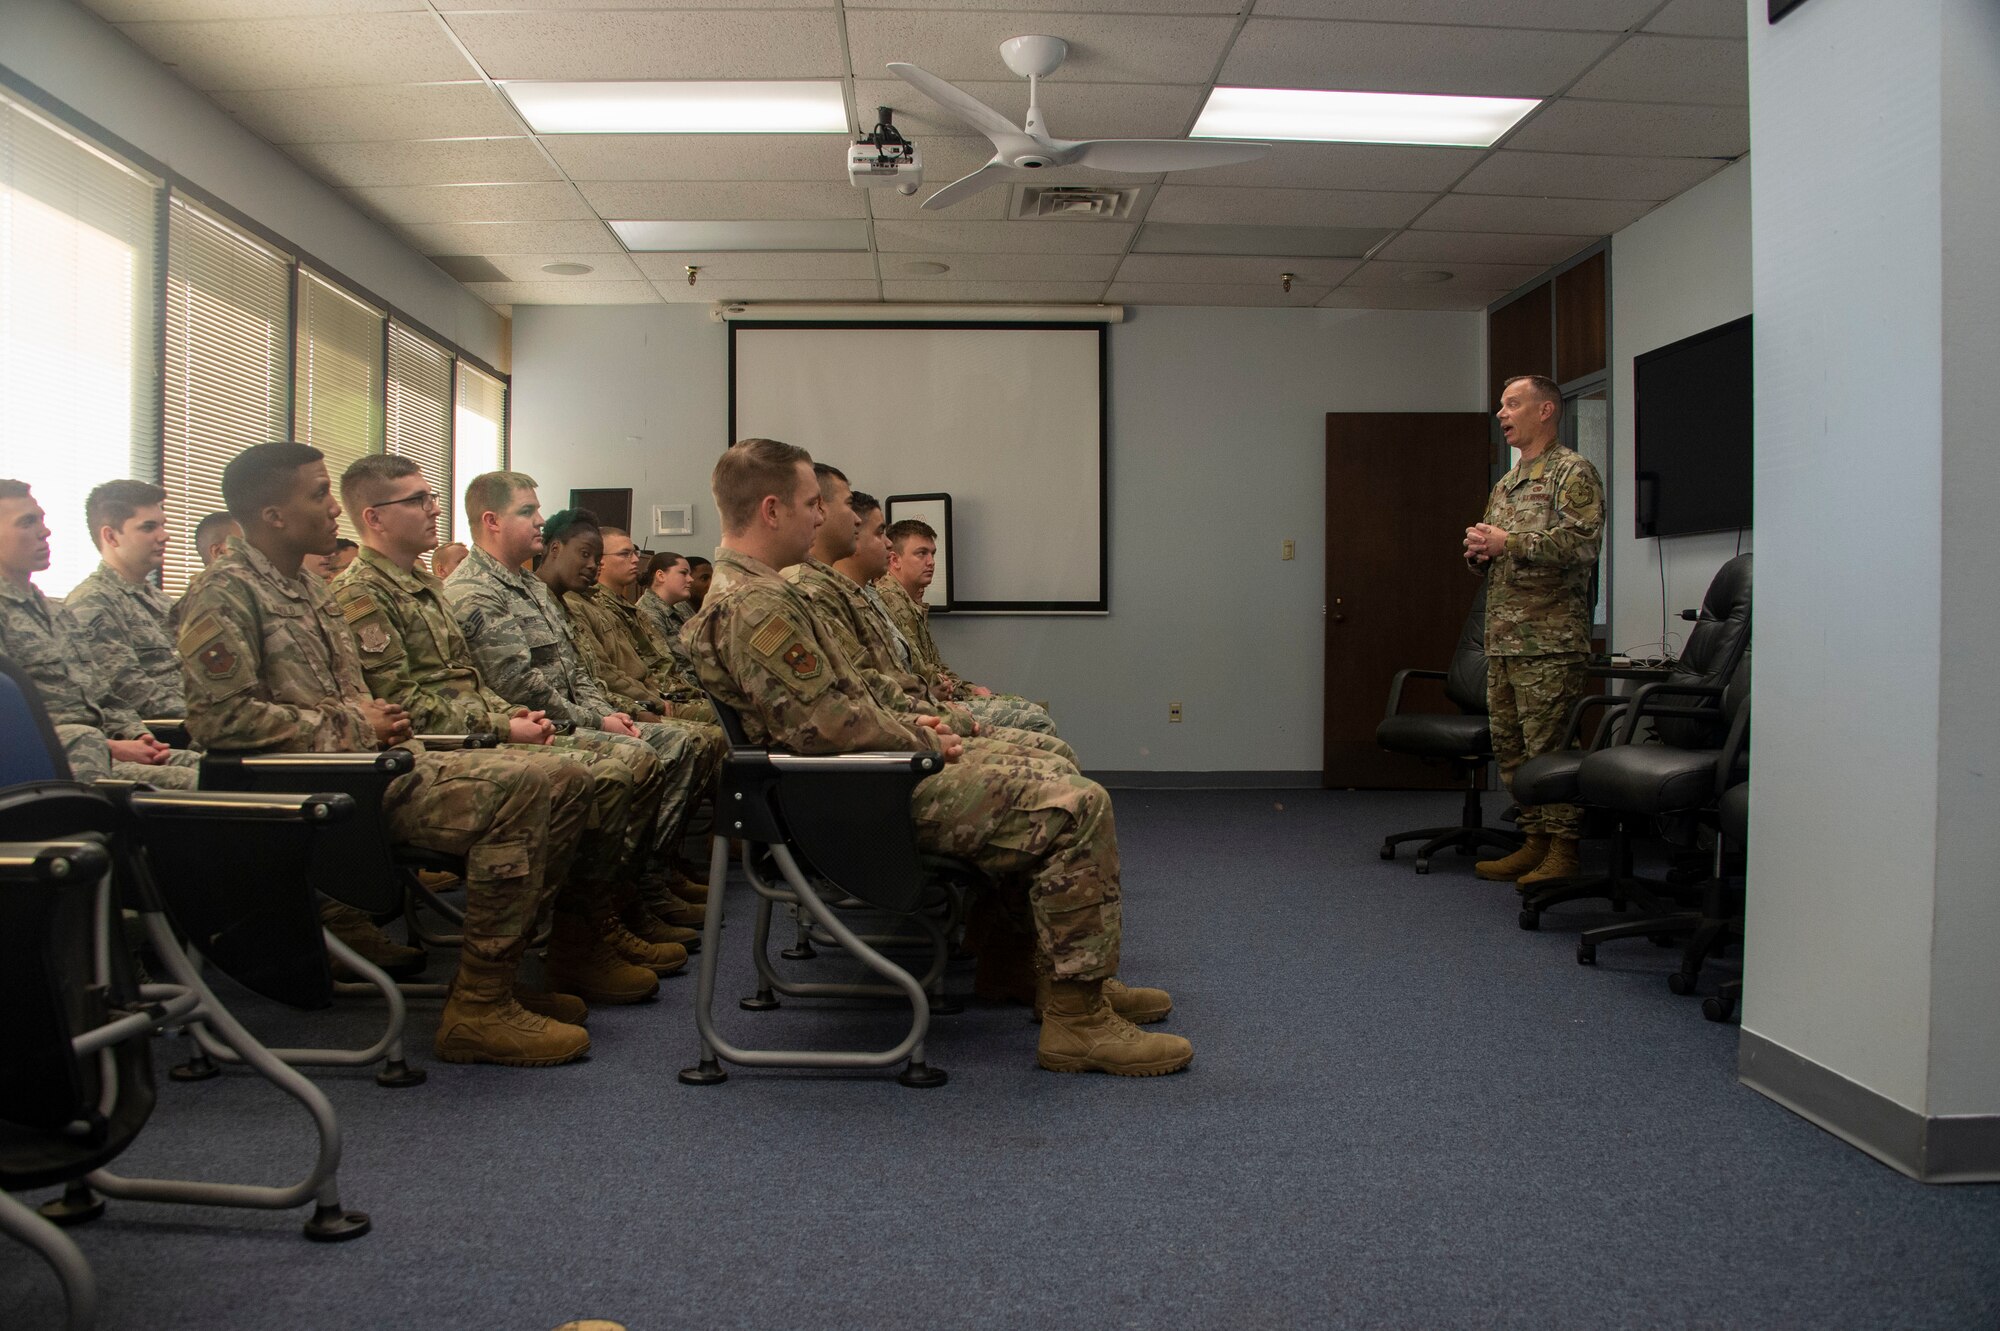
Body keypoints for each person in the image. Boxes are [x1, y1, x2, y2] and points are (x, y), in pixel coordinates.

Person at [687, 438, 1190, 1077]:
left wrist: (909, 727)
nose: (820, 516)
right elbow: (825, 727)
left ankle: (1022, 969)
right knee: (1075, 806)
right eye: (812, 502)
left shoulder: (763, 592)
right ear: (771, 510)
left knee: (1048, 772)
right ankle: (1078, 1019)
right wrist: (923, 741)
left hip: (865, 781)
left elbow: (842, 705)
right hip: (853, 798)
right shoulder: (754, 604)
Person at [174, 443, 598, 1067]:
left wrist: (375, 727)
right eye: (317, 494)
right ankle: (477, 1010)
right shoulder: (224, 593)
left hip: (373, 765)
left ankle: (495, 980)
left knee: (565, 773)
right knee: (526, 786)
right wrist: (356, 724)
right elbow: (218, 721)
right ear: (272, 515)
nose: (331, 508)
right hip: (314, 791)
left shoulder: (307, 588)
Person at [330, 454, 687, 1001]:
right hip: (428, 751)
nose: (434, 508)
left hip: (473, 731)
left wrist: (511, 715)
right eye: (418, 500)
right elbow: (401, 705)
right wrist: (502, 722)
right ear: (374, 518)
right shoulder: (364, 594)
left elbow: (473, 681)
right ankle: (507, 979)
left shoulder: (423, 588)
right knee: (599, 773)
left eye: (430, 497)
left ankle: (581, 936)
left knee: (614, 767)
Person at [445, 472, 713, 925]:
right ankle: (593, 917)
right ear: (491, 521)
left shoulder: (533, 591)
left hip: (567, 717)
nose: (540, 520)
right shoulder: (474, 592)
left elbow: (577, 671)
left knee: (675, 745)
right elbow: (519, 687)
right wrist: (595, 720)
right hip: (527, 726)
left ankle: (628, 892)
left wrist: (605, 713)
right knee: (639, 758)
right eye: (527, 511)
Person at [787, 466, 1074, 763]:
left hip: (914, 722)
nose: (886, 542)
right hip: (900, 742)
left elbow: (906, 675)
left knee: (1045, 736)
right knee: (1050, 749)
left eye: (932, 554)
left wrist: (952, 696)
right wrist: (942, 717)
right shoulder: (817, 594)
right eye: (921, 553)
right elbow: (866, 695)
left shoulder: (851, 594)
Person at [1464, 374, 1606, 890]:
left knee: (1550, 752)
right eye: (1501, 406)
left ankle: (1564, 850)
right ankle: (1535, 842)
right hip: (1504, 640)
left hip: (1549, 643)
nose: (1502, 414)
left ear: (1545, 411)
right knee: (1513, 752)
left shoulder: (1574, 472)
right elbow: (1498, 548)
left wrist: (1510, 542)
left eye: (1512, 404)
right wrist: (1481, 553)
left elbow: (1582, 543)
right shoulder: (1507, 482)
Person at [0, 479, 198, 787]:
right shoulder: (83, 602)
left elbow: (103, 695)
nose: (45, 531)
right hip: (59, 762)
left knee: (227, 774)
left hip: (106, 748)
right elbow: (10, 726)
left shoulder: (55, 612)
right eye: (27, 522)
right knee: (197, 784)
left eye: (41, 519)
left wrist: (138, 735)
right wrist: (112, 746)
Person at [58, 479, 184, 723]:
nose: (164, 536)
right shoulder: (92, 602)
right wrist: (210, 716)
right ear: (111, 536)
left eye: (162, 525)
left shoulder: (162, 601)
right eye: (148, 528)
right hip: (162, 733)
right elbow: (127, 691)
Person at [586, 529, 716, 726]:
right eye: (625, 554)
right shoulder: (596, 607)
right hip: (646, 699)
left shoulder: (629, 608)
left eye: (635, 553)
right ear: (600, 561)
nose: (636, 560)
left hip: (667, 692)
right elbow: (618, 672)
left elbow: (662, 662)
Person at [637, 550, 697, 677]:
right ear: (661, 576)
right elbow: (663, 669)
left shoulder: (681, 606)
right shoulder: (647, 613)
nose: (690, 579)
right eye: (683, 573)